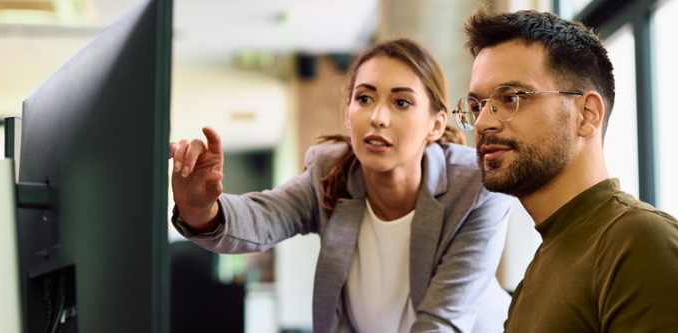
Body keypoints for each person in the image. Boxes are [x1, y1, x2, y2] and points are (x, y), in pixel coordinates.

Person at [169, 38, 512, 333]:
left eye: (401, 102)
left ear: (435, 125)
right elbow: (262, 217)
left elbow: (443, 320)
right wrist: (200, 208)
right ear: (348, 115)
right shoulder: (330, 172)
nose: (378, 116)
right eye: (364, 98)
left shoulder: (476, 185)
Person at [455, 8, 678, 332]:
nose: (482, 123)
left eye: (510, 97)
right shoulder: (541, 265)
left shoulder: (639, 242)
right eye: (476, 106)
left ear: (587, 115)